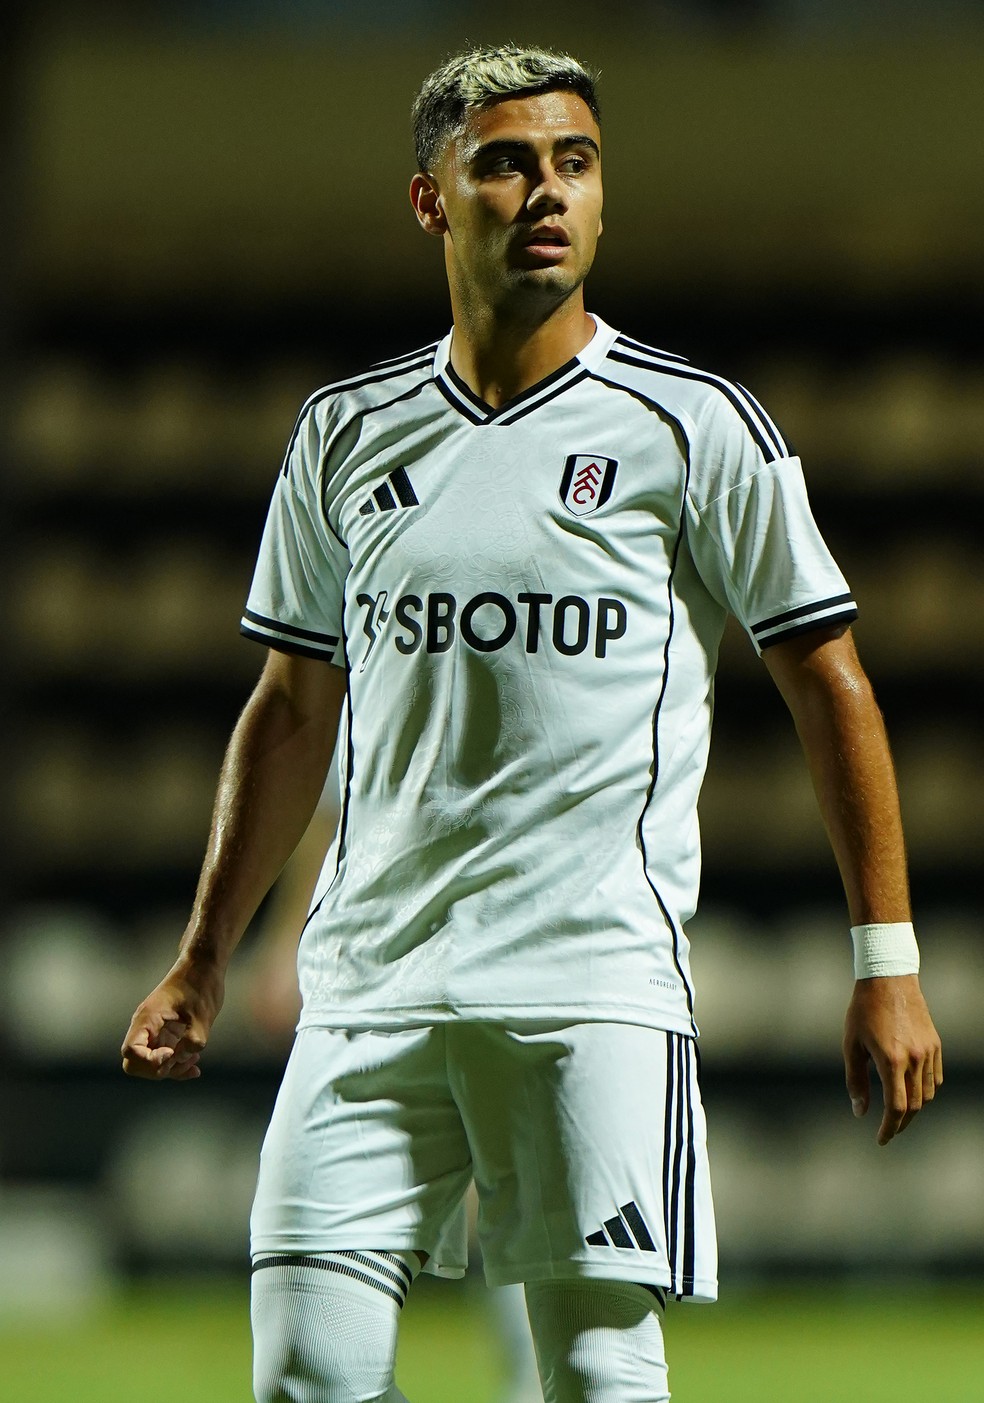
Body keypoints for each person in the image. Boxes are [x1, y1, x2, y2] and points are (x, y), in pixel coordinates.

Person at [121, 44, 943, 1403]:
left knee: (594, 1374)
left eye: (576, 163)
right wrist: (204, 957)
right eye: (506, 163)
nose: (547, 191)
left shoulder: (694, 426)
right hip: (368, 990)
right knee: (304, 1376)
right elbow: (290, 708)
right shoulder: (344, 432)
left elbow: (830, 681)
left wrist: (888, 960)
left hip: (589, 993)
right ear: (431, 200)